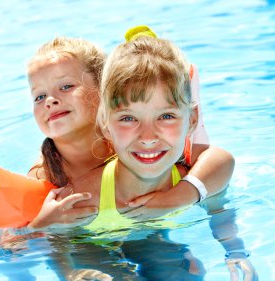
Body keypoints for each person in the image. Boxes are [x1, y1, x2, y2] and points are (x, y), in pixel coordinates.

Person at [42, 32, 258, 281]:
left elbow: (218, 206)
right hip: (93, 246)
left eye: (166, 116)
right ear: (105, 125)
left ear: (191, 121)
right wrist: (67, 273)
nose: (148, 137)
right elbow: (54, 237)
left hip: (152, 238)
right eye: (129, 118)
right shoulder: (88, 195)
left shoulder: (187, 178)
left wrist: (235, 251)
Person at [24, 27, 235, 230]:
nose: (50, 101)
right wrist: (43, 224)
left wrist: (181, 195)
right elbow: (10, 243)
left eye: (66, 86)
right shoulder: (43, 176)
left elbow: (217, 159)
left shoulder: (133, 142)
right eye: (39, 96)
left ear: (104, 90)